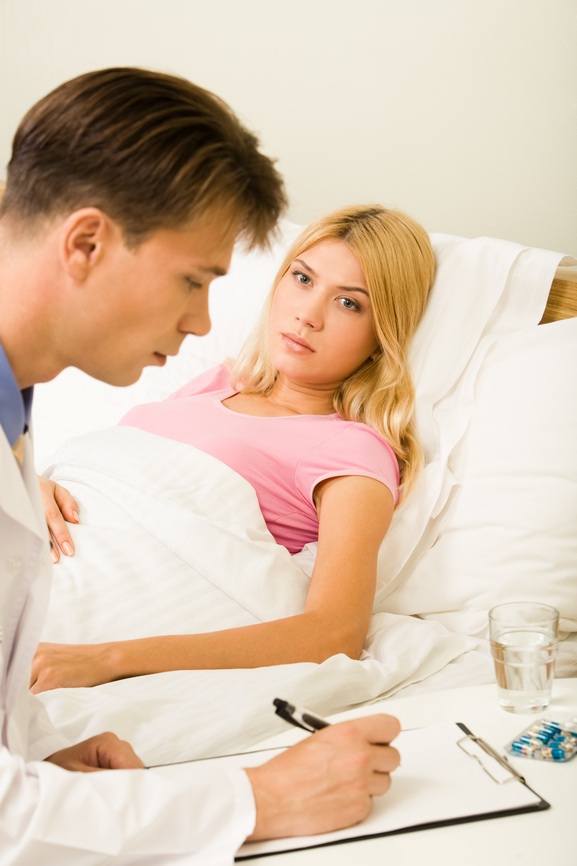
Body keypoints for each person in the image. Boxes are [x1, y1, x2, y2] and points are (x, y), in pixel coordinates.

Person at [0, 67, 401, 864]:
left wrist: (37, 756)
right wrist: (256, 800)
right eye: (192, 280)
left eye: (348, 301)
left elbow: (335, 627)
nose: (201, 321)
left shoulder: (17, 413)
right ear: (85, 243)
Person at [32, 204, 435, 692]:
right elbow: (123, 481)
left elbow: (334, 634)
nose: (307, 315)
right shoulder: (218, 382)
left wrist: (108, 659)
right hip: (35, 548)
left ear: (382, 335)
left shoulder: (352, 451)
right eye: (302, 279)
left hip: (85, 611)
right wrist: (32, 487)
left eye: (348, 303)